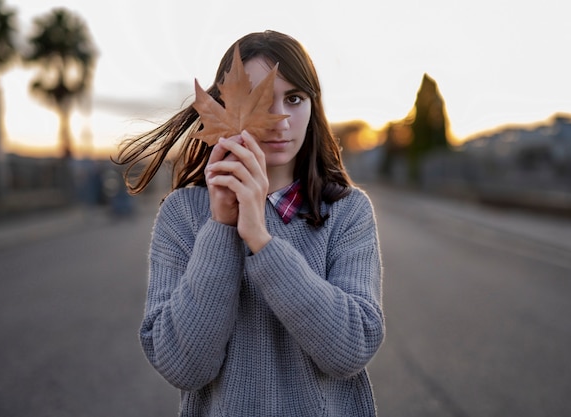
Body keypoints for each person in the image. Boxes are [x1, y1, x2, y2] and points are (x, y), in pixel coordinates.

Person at [115, 30, 384, 416]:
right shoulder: (183, 215)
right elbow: (184, 367)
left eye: (294, 98)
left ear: (313, 107)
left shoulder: (347, 211)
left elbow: (350, 350)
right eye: (258, 99)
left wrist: (260, 237)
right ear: (223, 108)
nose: (278, 119)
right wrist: (222, 225)